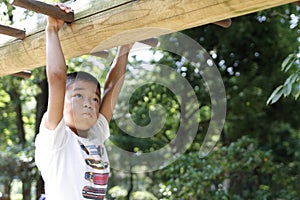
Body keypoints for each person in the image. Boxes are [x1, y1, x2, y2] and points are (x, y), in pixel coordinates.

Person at [34, 3, 133, 199]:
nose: (89, 103)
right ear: (60, 101)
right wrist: (52, 30)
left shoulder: (96, 132)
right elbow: (57, 77)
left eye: (95, 99)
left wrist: (126, 46)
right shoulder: (57, 137)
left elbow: (112, 88)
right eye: (78, 95)